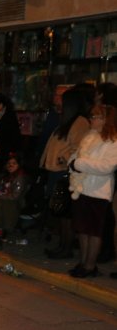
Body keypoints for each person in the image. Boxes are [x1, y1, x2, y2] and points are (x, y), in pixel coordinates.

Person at [40, 85, 92, 259]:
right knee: (60, 212)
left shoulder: (80, 122)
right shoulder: (68, 120)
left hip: (65, 171)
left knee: (65, 213)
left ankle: (66, 247)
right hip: (57, 170)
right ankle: (63, 245)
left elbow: (80, 147)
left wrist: (64, 158)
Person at [67, 104, 117, 278]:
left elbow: (107, 167)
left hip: (98, 191)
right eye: (92, 116)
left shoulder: (112, 140)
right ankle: (83, 262)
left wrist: (79, 164)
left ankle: (90, 265)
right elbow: (77, 156)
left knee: (94, 231)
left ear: (105, 120)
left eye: (96, 117)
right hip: (82, 188)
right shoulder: (89, 136)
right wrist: (72, 163)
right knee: (82, 229)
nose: (92, 119)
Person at [0, 153, 30, 239]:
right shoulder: (4, 176)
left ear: (19, 165)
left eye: (14, 163)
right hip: (4, 198)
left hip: (15, 202)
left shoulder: (20, 177)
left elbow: (15, 196)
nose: (11, 165)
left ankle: (1, 227)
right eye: (9, 163)